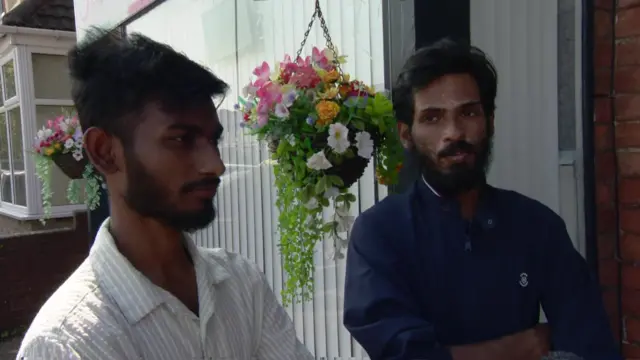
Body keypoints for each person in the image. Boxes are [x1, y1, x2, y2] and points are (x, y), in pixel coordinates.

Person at [17, 27, 312, 360]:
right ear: (104, 152)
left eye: (212, 140)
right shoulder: (68, 344)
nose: (214, 165)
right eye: (180, 139)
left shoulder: (241, 284)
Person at [343, 38, 621, 360]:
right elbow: (401, 351)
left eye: (469, 113)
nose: (454, 132)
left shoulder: (536, 226)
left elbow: (589, 342)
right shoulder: (380, 232)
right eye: (433, 118)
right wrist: (519, 348)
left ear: (490, 122)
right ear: (406, 135)